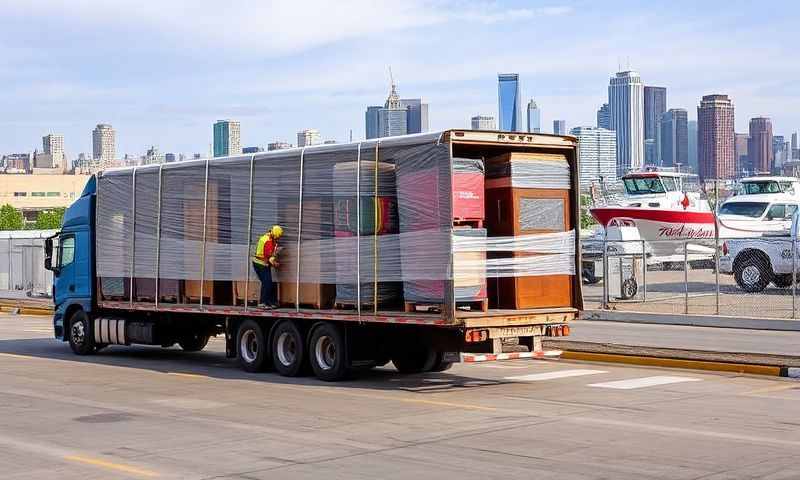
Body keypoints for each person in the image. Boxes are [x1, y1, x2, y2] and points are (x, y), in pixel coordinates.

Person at [252, 225, 282, 308]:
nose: (278, 239)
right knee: (267, 283)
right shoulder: (268, 241)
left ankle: (270, 302)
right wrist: (275, 263)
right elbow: (268, 257)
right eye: (277, 237)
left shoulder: (269, 239)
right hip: (260, 264)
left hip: (261, 263)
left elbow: (271, 255)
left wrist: (273, 258)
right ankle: (263, 302)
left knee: (268, 283)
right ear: (274, 234)